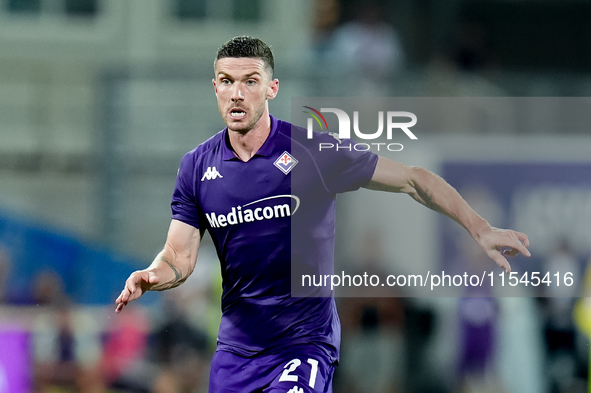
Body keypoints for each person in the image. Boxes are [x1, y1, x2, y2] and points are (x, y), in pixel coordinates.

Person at [115, 36, 531, 393]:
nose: (237, 93)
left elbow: (413, 179)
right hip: (236, 351)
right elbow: (179, 256)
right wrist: (153, 275)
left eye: (250, 82)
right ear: (215, 88)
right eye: (227, 82)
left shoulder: (313, 151)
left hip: (304, 343)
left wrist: (479, 228)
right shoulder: (196, 166)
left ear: (272, 88)